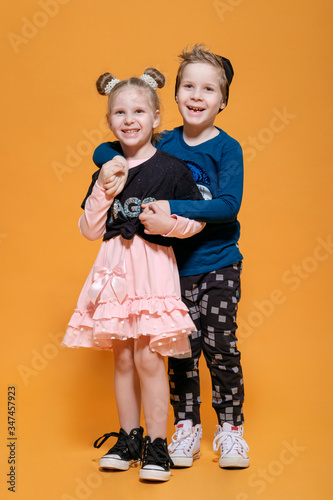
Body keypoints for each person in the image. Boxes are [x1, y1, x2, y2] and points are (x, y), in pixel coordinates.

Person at [93, 44, 250, 469]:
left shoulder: (226, 148)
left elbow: (227, 205)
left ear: (223, 99)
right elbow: (109, 149)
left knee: (220, 346)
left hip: (218, 262)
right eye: (189, 87)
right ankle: (184, 427)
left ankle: (230, 428)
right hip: (170, 269)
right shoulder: (164, 142)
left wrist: (173, 210)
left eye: (209, 89)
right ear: (175, 95)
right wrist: (109, 163)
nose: (197, 96)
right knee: (179, 349)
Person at [62, 67, 206, 482]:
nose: (129, 120)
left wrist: (168, 225)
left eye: (139, 111)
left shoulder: (173, 169)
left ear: (156, 117)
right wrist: (101, 191)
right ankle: (129, 439)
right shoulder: (107, 169)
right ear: (110, 122)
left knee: (149, 358)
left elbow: (194, 221)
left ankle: (158, 445)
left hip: (151, 269)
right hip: (113, 272)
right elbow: (90, 230)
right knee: (122, 357)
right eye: (120, 113)